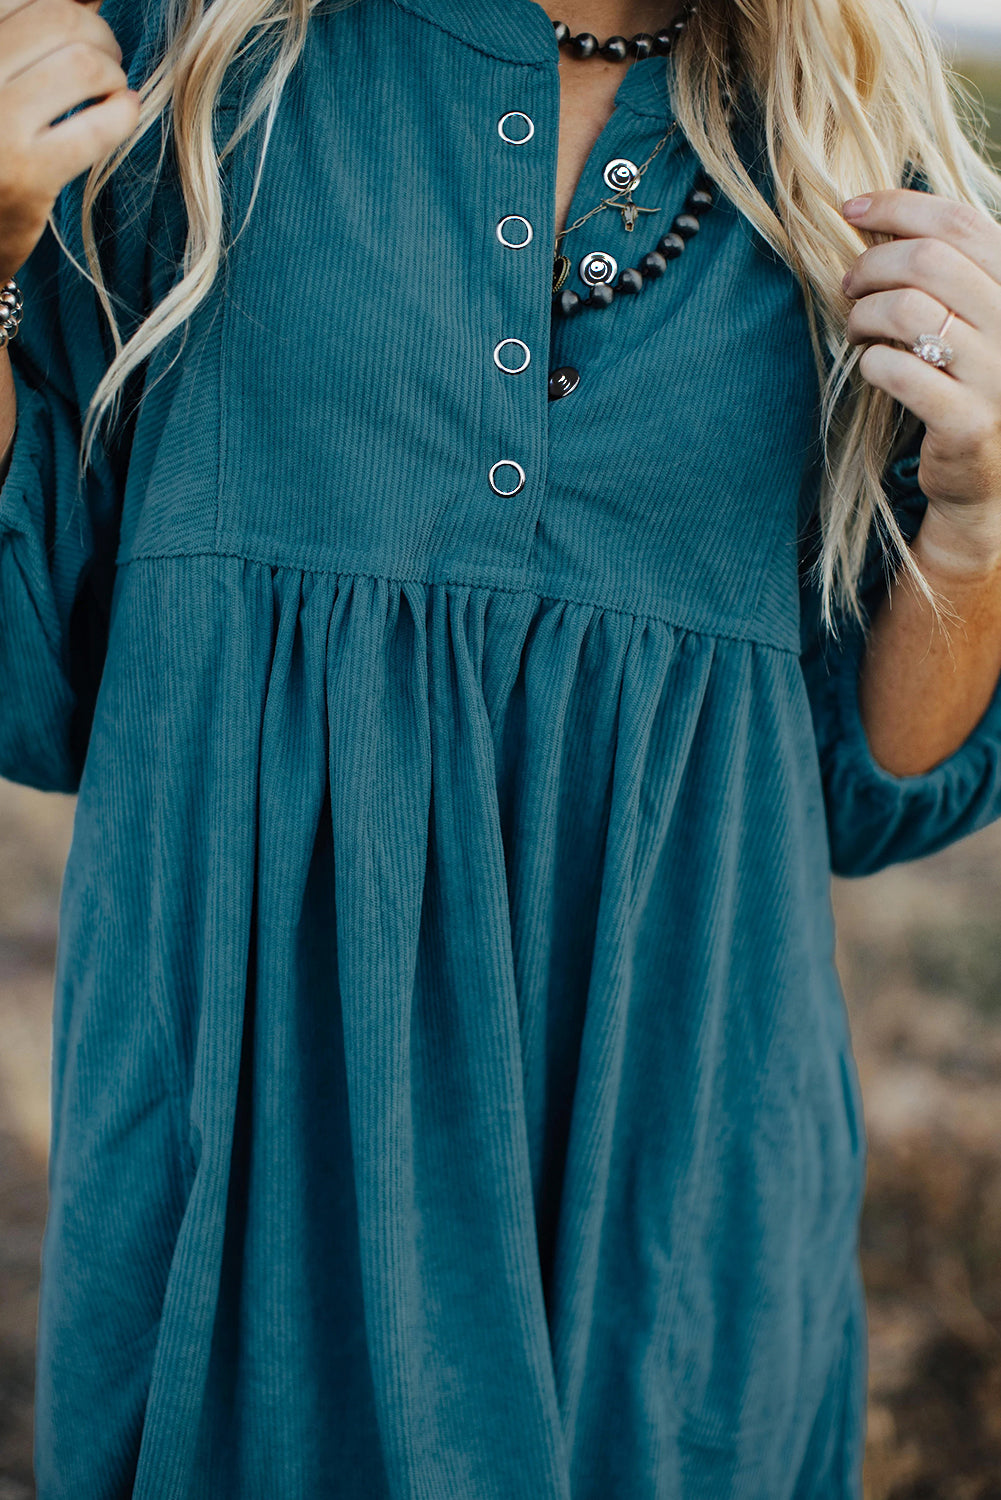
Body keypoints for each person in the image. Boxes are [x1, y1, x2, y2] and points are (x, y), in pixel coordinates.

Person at [2, 0, 1001, 1494]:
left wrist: (979, 520)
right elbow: (31, 670)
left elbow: (868, 792)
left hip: (677, 1239)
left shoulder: (851, 150)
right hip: (257, 1224)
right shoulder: (174, 70)